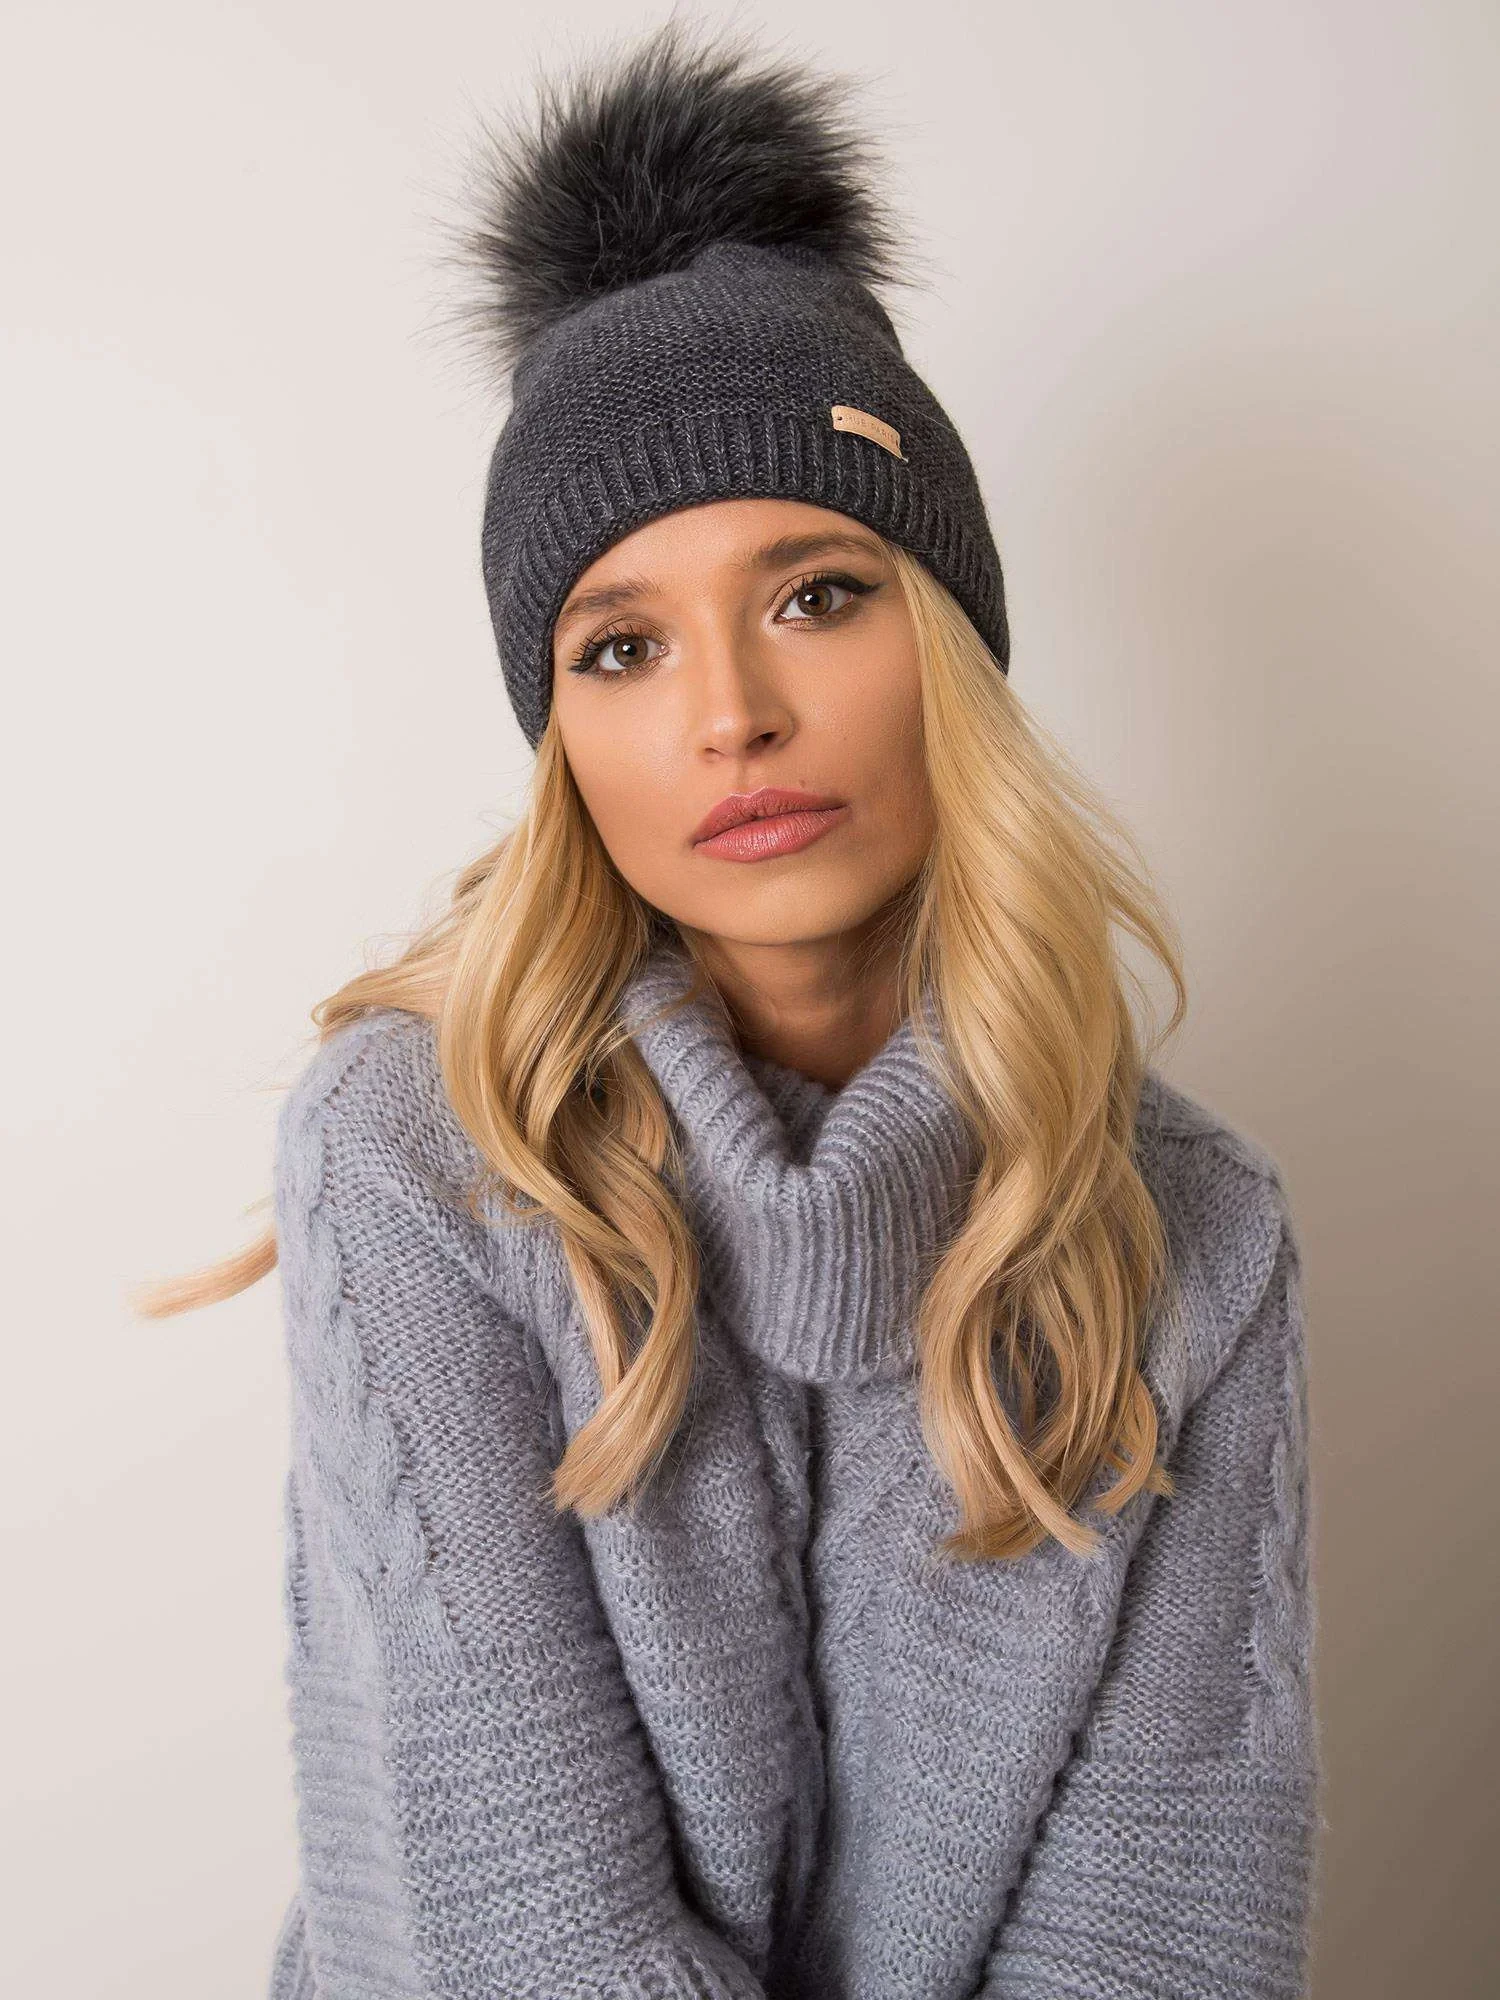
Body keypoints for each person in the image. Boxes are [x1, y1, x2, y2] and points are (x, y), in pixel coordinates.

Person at [137, 21, 1320, 1998]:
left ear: (951, 644)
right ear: (558, 737)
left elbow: (1168, 1918)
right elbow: (517, 1923)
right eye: (621, 645)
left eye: (817, 594)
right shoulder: (419, 1152)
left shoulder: (1194, 1229)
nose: (731, 715)